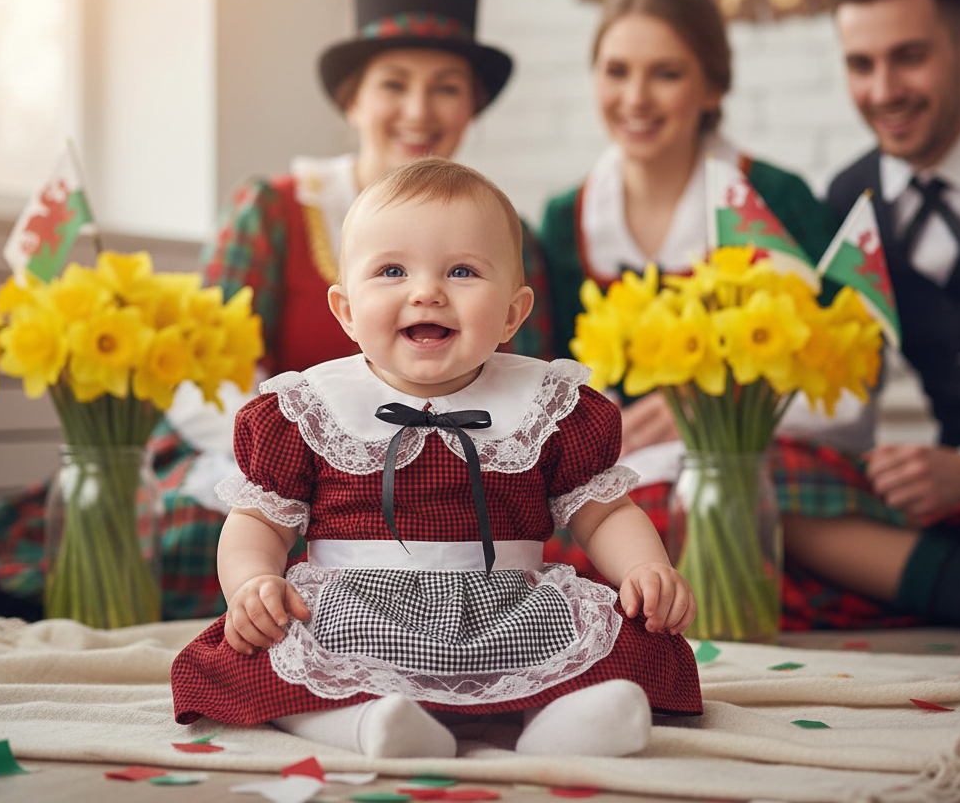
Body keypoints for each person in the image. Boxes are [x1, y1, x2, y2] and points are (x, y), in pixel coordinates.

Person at [0, 0, 552, 636]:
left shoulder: (508, 240)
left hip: (450, 471)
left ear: (471, 108)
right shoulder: (275, 206)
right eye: (395, 84)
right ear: (353, 102)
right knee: (210, 530)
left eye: (446, 88)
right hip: (273, 456)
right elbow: (215, 357)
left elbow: (517, 380)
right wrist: (294, 463)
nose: (420, 109)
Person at [171, 157, 700, 759]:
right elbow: (259, 520)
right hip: (355, 607)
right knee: (269, 654)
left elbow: (603, 513)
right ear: (345, 311)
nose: (427, 291)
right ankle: (369, 724)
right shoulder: (310, 408)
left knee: (625, 640)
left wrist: (643, 570)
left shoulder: (545, 404)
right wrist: (253, 583)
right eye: (392, 270)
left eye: (463, 271)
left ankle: (568, 721)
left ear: (512, 313)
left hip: (508, 605)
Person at [536, 0, 902, 629]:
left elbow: (849, 375)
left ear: (712, 88)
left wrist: (710, 417)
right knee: (590, 522)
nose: (635, 98)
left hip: (767, 458)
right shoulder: (567, 220)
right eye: (616, 71)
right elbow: (554, 392)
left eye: (666, 73)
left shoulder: (777, 196)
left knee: (757, 483)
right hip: (632, 483)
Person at [780, 0, 960, 629]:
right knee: (768, 481)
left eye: (909, 57)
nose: (883, 91)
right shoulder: (849, 196)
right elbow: (846, 390)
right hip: (948, 497)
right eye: (861, 64)